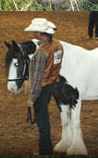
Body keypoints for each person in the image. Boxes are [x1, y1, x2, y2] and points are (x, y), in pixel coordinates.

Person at [25, 18, 63, 156]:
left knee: (43, 123)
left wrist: (32, 98)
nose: (34, 33)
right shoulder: (58, 45)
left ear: (40, 33)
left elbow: (37, 79)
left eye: (35, 31)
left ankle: (44, 151)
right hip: (55, 83)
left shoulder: (40, 54)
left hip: (43, 88)